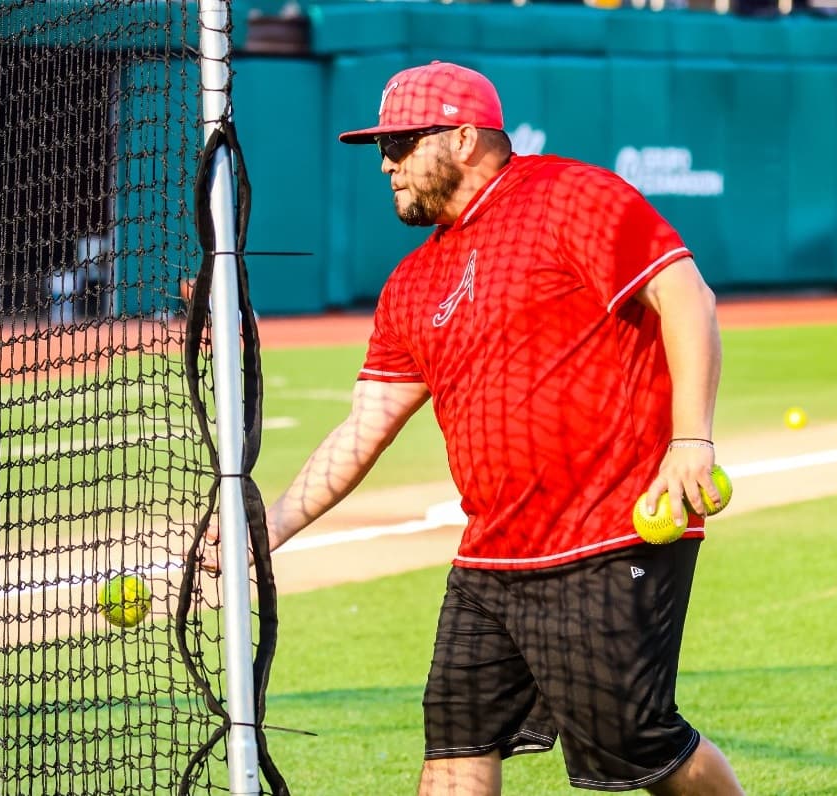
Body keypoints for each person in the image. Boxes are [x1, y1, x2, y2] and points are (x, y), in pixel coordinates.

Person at [208, 61, 744, 795]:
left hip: (606, 534)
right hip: (492, 559)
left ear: (463, 138)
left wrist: (691, 442)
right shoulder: (412, 283)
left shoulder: (567, 196)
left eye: (401, 144)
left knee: (634, 740)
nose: (387, 164)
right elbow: (364, 429)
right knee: (456, 745)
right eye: (381, 149)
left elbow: (686, 296)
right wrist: (263, 531)